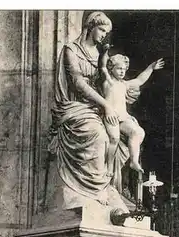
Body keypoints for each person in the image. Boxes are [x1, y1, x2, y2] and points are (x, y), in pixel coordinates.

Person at [48, 11, 130, 204]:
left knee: (123, 134)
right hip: (75, 106)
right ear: (90, 27)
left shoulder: (101, 55)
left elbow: (111, 82)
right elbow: (78, 83)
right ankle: (93, 192)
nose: (103, 35)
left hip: (98, 106)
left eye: (106, 32)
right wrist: (106, 106)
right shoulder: (71, 50)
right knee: (98, 135)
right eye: (101, 30)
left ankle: (108, 184)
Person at [99, 47, 165, 177]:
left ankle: (134, 161)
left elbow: (140, 80)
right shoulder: (108, 81)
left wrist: (151, 67)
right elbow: (102, 67)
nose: (122, 72)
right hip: (111, 116)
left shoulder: (124, 84)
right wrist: (105, 52)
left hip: (123, 117)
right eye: (119, 69)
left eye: (124, 69)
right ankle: (109, 166)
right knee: (114, 138)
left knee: (139, 132)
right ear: (112, 68)